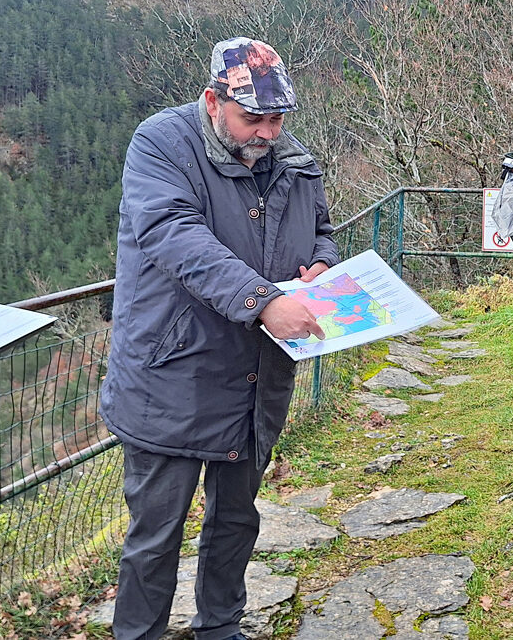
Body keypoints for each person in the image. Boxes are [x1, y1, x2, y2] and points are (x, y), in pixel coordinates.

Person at [99, 37, 339, 640]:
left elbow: (323, 231)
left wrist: (319, 267)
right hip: (172, 373)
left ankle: (221, 629)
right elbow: (176, 237)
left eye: (276, 118)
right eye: (251, 117)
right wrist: (264, 302)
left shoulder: (292, 156)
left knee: (236, 519)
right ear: (213, 102)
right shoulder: (160, 145)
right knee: (156, 535)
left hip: (257, 375)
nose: (265, 131)